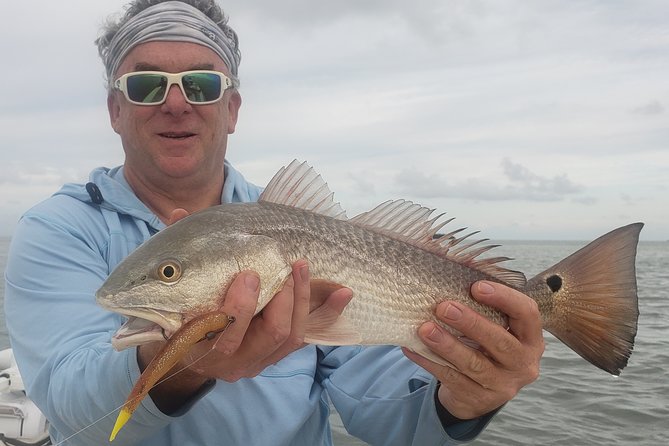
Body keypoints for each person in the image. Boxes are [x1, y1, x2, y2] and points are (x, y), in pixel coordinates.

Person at [4, 1, 544, 444]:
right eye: (145, 85)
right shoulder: (58, 230)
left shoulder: (297, 229)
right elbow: (74, 409)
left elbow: (385, 412)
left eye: (202, 84)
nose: (175, 104)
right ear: (114, 110)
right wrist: (183, 363)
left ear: (233, 109)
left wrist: (461, 400)